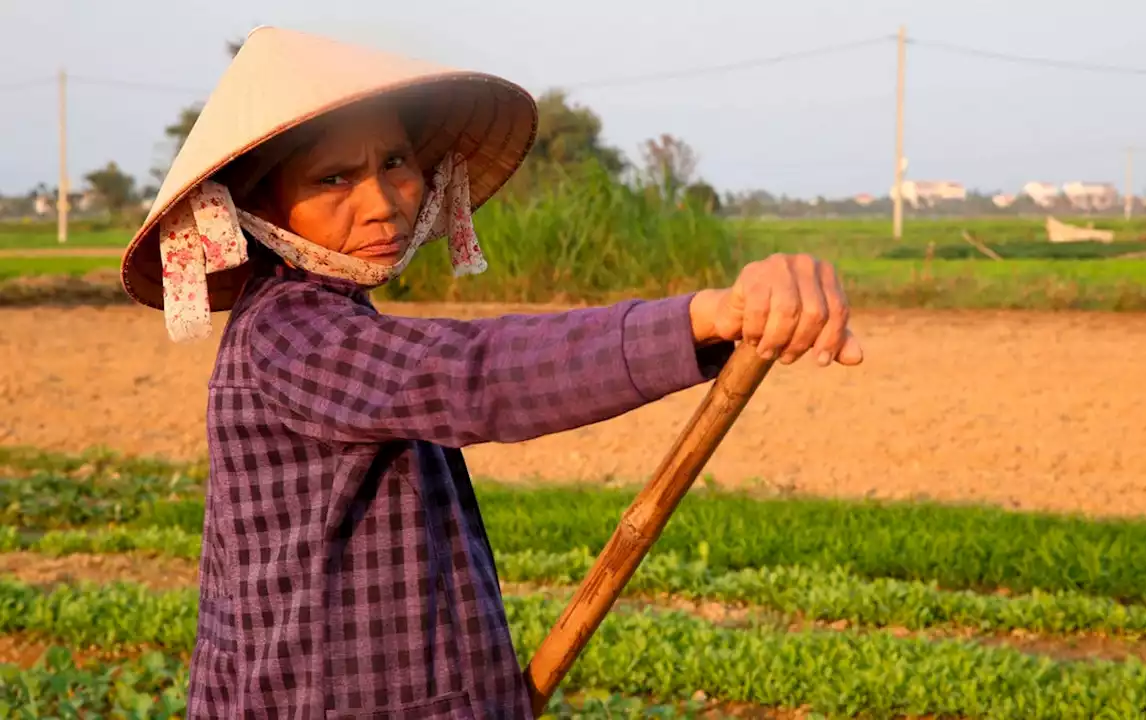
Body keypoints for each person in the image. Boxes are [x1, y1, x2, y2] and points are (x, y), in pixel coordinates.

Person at [121, 27, 862, 719]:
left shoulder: (336, 319)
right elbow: (474, 375)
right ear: (252, 207)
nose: (381, 202)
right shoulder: (289, 335)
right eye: (335, 178)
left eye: (395, 162)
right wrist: (703, 316)